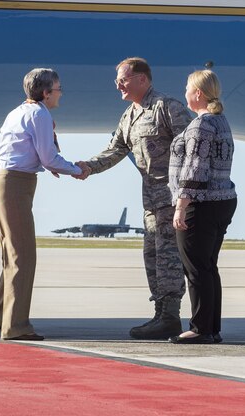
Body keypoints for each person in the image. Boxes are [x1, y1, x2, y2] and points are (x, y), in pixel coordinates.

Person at [76, 58, 192, 339]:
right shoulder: (129, 116)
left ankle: (170, 317)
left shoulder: (166, 107)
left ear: (143, 79)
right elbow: (115, 150)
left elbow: (194, 148)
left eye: (123, 79)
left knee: (168, 261)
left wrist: (188, 194)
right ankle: (160, 314)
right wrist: (88, 166)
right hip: (151, 203)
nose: (118, 84)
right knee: (152, 258)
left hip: (173, 199)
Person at [0, 68, 82, 341]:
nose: (61, 93)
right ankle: (15, 326)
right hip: (16, 185)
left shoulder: (17, 112)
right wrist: (76, 169)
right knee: (23, 256)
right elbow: (49, 158)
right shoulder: (40, 114)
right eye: (58, 88)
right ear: (46, 93)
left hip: (3, 183)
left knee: (12, 254)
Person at [169, 70, 237, 344]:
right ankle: (210, 328)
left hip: (202, 202)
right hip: (222, 200)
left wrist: (180, 205)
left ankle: (199, 329)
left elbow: (194, 169)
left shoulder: (200, 125)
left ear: (197, 93)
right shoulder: (221, 122)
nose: (184, 92)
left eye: (187, 88)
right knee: (208, 266)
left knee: (196, 268)